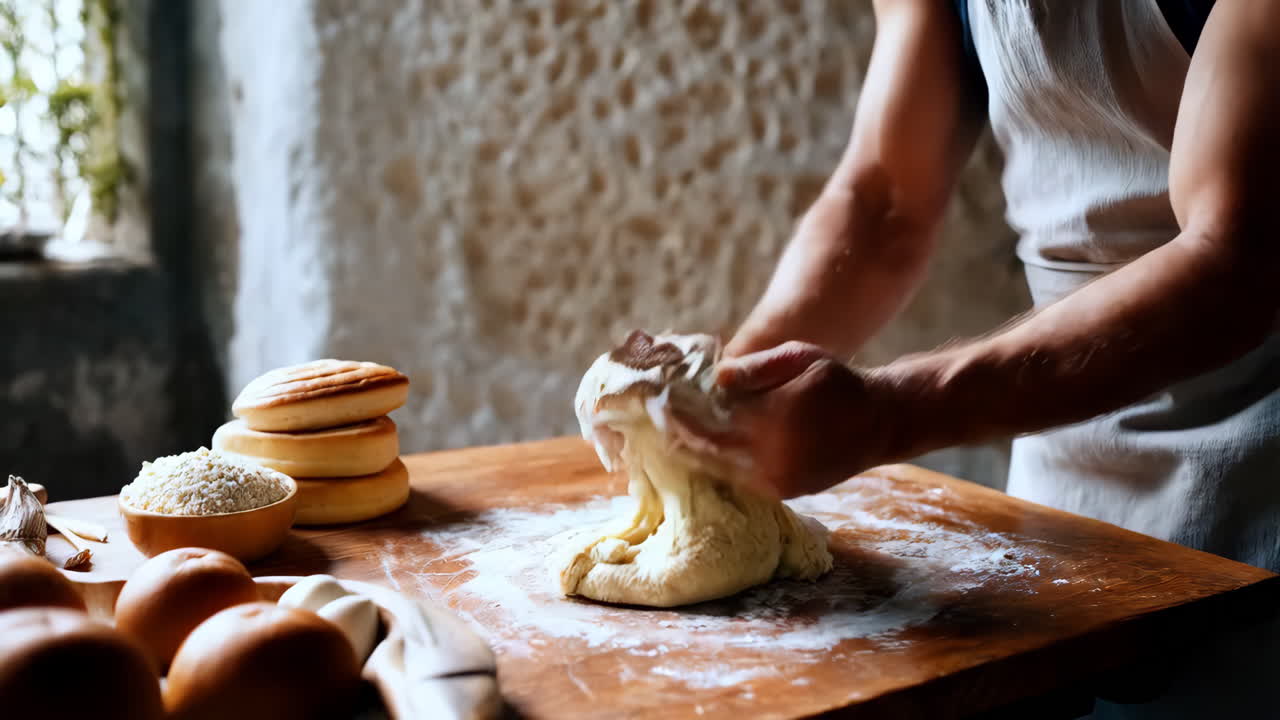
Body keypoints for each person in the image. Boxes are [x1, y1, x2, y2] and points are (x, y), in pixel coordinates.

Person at [680, 1, 1280, 718]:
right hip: (1063, 478)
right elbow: (884, 202)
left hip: (1255, 481)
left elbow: (1236, 259)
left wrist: (888, 415)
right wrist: (724, 403)